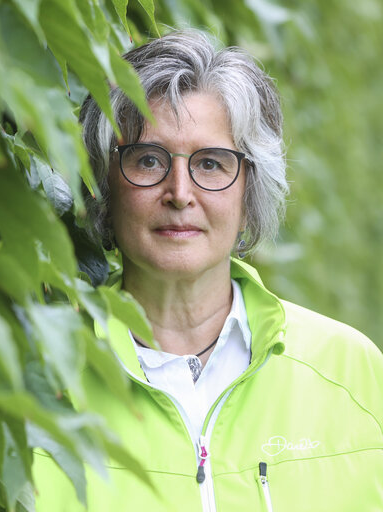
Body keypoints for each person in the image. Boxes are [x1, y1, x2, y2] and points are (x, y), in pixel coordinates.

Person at [33, 30, 383, 511]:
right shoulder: (43, 379)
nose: (180, 192)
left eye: (212, 164)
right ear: (105, 186)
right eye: (149, 159)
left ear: (249, 193)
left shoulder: (353, 373)